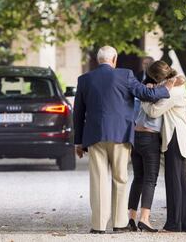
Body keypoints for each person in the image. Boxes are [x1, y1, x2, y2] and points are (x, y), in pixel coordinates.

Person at [73, 46, 176, 234]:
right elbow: (147, 95)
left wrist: (78, 142)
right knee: (120, 178)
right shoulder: (125, 75)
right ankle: (120, 223)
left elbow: (78, 113)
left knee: (98, 180)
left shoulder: (85, 80)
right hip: (120, 135)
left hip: (94, 136)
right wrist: (167, 88)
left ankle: (98, 226)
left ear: (98, 61)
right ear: (114, 59)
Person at [141, 61, 186, 232]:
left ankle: (174, 224)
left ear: (157, 77)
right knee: (181, 179)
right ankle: (185, 223)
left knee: (174, 180)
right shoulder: (174, 85)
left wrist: (144, 100)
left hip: (175, 135)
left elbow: (154, 111)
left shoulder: (173, 92)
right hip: (180, 134)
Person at [128, 74, 162, 233]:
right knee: (150, 179)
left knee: (138, 178)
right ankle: (144, 219)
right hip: (150, 137)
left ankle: (131, 218)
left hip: (136, 137)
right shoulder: (156, 94)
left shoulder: (138, 95)